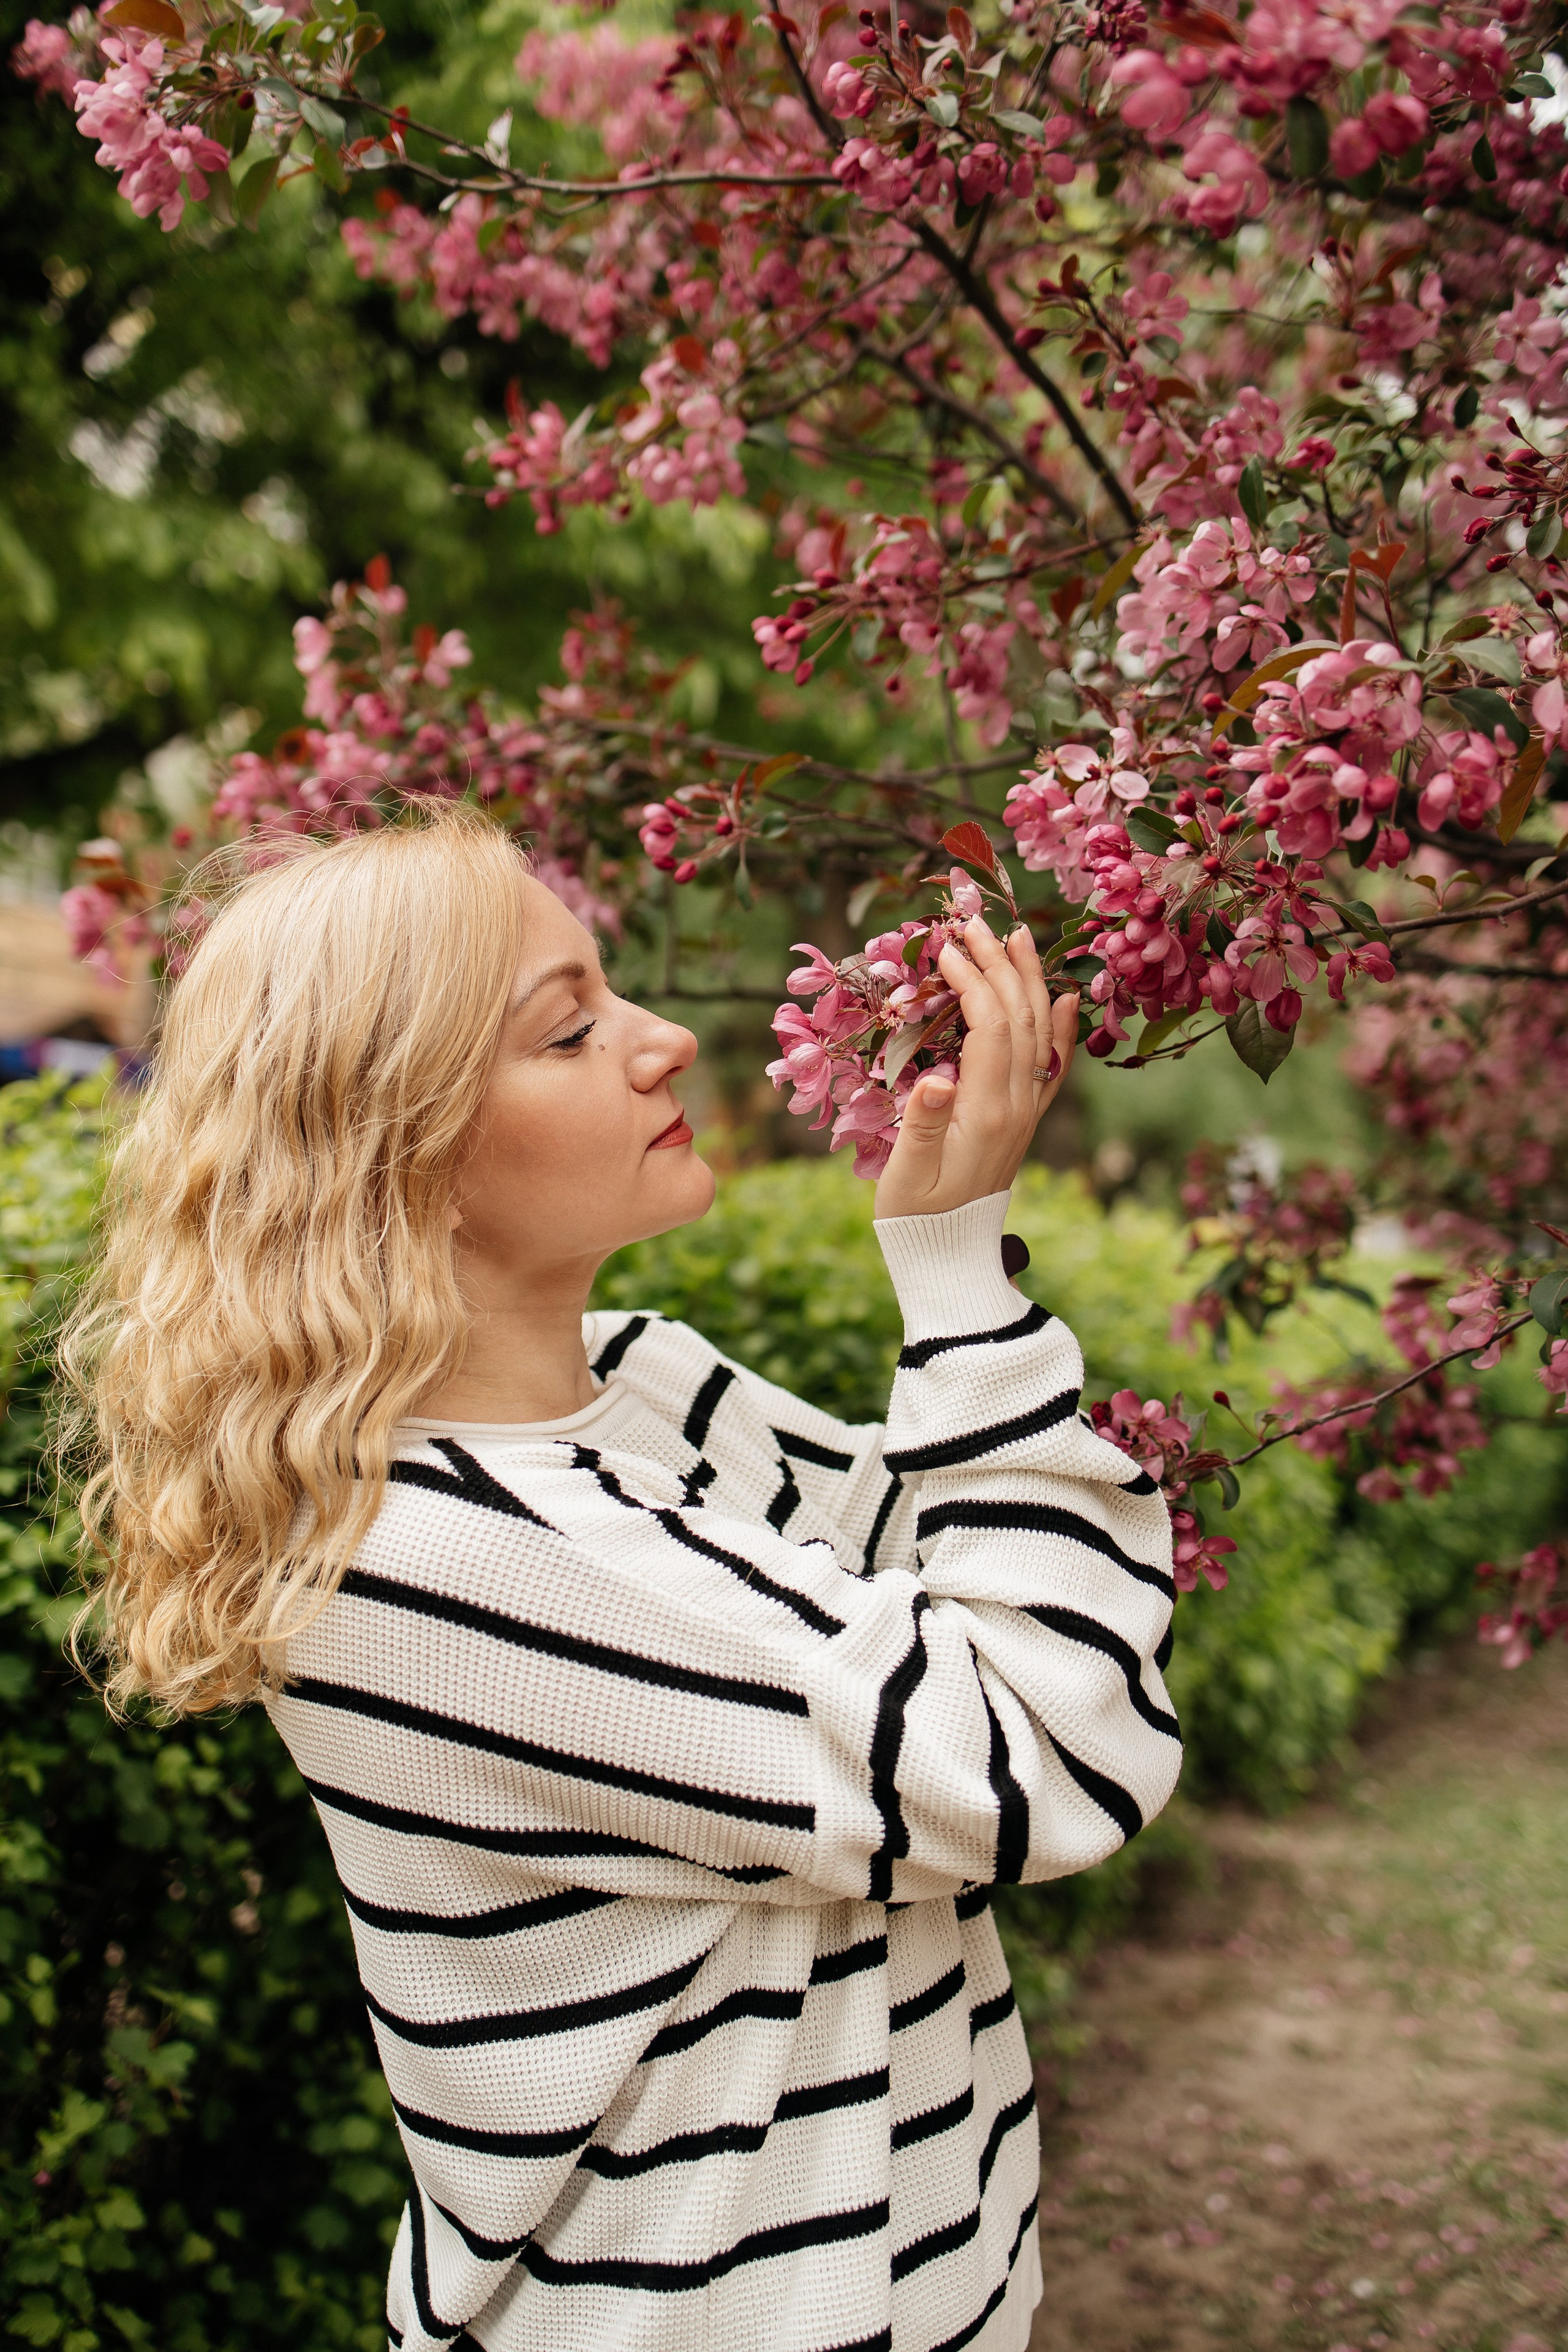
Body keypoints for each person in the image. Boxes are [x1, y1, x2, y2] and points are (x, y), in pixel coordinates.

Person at [66, 804, 1182, 2352]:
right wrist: (955, 1278)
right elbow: (1045, 1751)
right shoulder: (443, 1565)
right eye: (570, 1030)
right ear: (406, 1152)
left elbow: (964, 1589)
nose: (659, 1042)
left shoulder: (644, 1389)